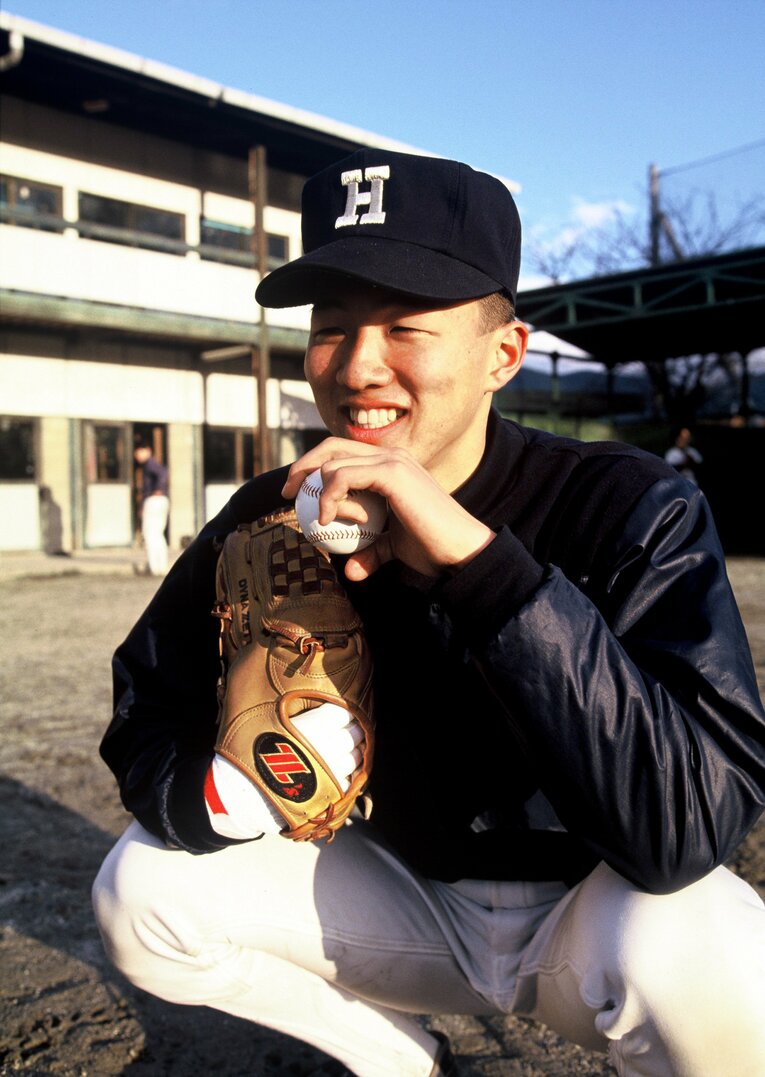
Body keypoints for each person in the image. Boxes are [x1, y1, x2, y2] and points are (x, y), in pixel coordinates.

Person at [93, 150, 765, 1077]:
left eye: (405, 325)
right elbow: (145, 701)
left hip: (591, 916)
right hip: (395, 901)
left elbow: (689, 823)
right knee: (142, 888)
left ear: (503, 354)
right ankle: (402, 1061)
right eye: (331, 327)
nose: (358, 364)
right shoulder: (271, 511)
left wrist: (481, 570)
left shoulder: (627, 502)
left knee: (712, 940)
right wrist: (221, 797)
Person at [133, 439, 170, 576]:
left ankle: (155, 567)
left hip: (154, 500)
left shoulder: (150, 464)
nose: (137, 456)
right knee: (158, 534)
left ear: (147, 450)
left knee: (150, 534)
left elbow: (162, 473)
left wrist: (158, 489)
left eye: (138, 452)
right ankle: (160, 566)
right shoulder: (149, 465)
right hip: (160, 500)